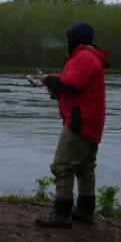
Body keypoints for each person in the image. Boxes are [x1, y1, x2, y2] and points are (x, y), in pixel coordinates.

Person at [33, 22, 110, 229]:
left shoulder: (84, 57)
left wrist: (50, 79)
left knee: (63, 166)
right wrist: (50, 81)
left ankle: (61, 215)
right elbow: (70, 84)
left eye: (69, 36)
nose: (67, 40)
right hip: (91, 120)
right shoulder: (87, 56)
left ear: (78, 38)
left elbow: (72, 86)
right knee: (85, 167)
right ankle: (85, 212)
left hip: (80, 121)